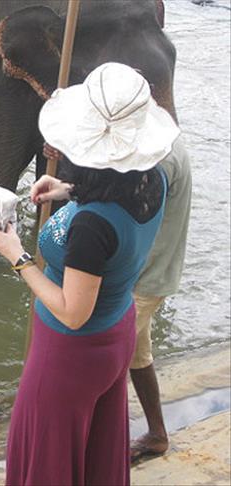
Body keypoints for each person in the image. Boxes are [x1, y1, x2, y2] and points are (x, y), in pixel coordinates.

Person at [0, 62, 179, 485]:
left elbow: (73, 311)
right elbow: (118, 195)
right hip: (116, 334)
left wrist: (15, 253)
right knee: (96, 456)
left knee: (47, 459)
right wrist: (69, 192)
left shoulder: (91, 227)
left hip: (70, 353)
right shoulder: (153, 180)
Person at [130, 137, 192, 461]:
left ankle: (98, 445)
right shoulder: (167, 142)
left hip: (144, 276)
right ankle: (157, 434)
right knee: (138, 357)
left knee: (104, 359)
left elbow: (134, 215)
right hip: (149, 273)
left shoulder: (159, 159)